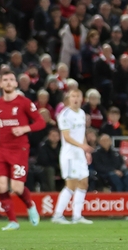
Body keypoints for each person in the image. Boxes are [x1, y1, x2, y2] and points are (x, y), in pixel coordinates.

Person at [0, 71, 45, 230]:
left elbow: (41, 122)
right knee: (0, 186)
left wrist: (25, 128)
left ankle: (30, 205)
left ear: (15, 84)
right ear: (0, 84)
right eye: (5, 80)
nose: (8, 82)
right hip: (1, 149)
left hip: (19, 150)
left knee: (17, 188)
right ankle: (13, 221)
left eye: (11, 80)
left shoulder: (24, 102)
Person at [51, 89, 93, 224]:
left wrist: (86, 150)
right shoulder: (65, 114)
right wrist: (82, 147)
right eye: (73, 96)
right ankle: (57, 215)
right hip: (69, 155)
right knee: (71, 185)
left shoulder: (81, 113)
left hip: (80, 154)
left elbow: (81, 135)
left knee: (84, 183)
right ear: (69, 99)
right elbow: (67, 137)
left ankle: (77, 216)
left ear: (82, 99)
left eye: (78, 96)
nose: (75, 99)